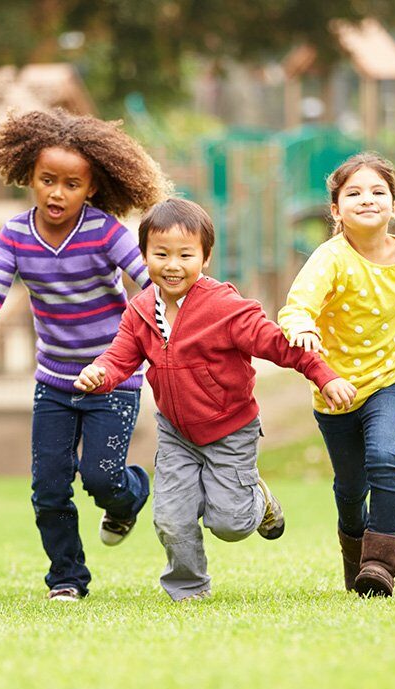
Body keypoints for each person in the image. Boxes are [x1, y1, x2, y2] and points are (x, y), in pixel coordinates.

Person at [0, 109, 169, 601]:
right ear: (29, 177)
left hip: (112, 378)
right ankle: (67, 578)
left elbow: (150, 282)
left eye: (71, 183)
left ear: (91, 188)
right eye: (47, 180)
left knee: (102, 479)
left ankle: (131, 495)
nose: (57, 193)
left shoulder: (106, 231)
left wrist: (178, 315)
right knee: (48, 488)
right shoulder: (16, 235)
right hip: (55, 385)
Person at [75, 198, 355, 601]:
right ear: (144, 256)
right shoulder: (139, 312)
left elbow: (279, 345)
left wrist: (324, 375)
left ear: (205, 258)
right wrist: (99, 373)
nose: (173, 265)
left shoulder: (224, 307)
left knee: (231, 523)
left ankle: (257, 500)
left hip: (230, 430)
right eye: (161, 254)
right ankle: (187, 588)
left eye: (185, 255)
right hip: (176, 433)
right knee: (171, 518)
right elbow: (119, 359)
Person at [278, 152, 395, 598]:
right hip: (334, 392)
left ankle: (379, 565)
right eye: (353, 193)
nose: (367, 199)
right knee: (350, 488)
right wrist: (303, 329)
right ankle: (354, 558)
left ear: (394, 205)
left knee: (386, 460)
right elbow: (298, 306)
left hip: (389, 381)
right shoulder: (329, 259)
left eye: (378, 192)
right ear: (336, 210)